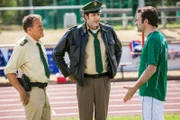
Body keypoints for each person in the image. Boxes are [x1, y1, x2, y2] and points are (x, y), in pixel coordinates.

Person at [53, 1, 122, 120]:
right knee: (85, 117)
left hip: (104, 80)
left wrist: (113, 68)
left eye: (98, 14)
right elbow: (57, 53)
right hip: (84, 81)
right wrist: (68, 73)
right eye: (93, 15)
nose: (97, 18)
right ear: (85, 16)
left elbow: (118, 50)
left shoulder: (109, 31)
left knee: (102, 117)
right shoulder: (74, 33)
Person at [123, 6, 168, 120]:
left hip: (151, 92)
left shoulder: (153, 39)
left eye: (137, 19)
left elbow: (152, 68)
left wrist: (134, 88)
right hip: (153, 92)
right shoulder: (158, 37)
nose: (136, 22)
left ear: (146, 21)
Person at [4, 14, 51, 120]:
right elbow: (9, 71)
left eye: (42, 25)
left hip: (43, 91)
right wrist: (22, 92)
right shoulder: (23, 46)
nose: (42, 28)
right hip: (32, 92)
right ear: (29, 30)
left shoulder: (39, 44)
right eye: (39, 26)